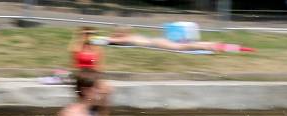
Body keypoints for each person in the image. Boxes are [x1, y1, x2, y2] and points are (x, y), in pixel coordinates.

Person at [108, 27, 252, 53]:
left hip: (156, 43)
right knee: (187, 45)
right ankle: (213, 45)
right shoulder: (133, 36)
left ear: (120, 33)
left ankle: (210, 47)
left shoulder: (126, 38)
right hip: (157, 40)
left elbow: (111, 40)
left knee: (183, 47)